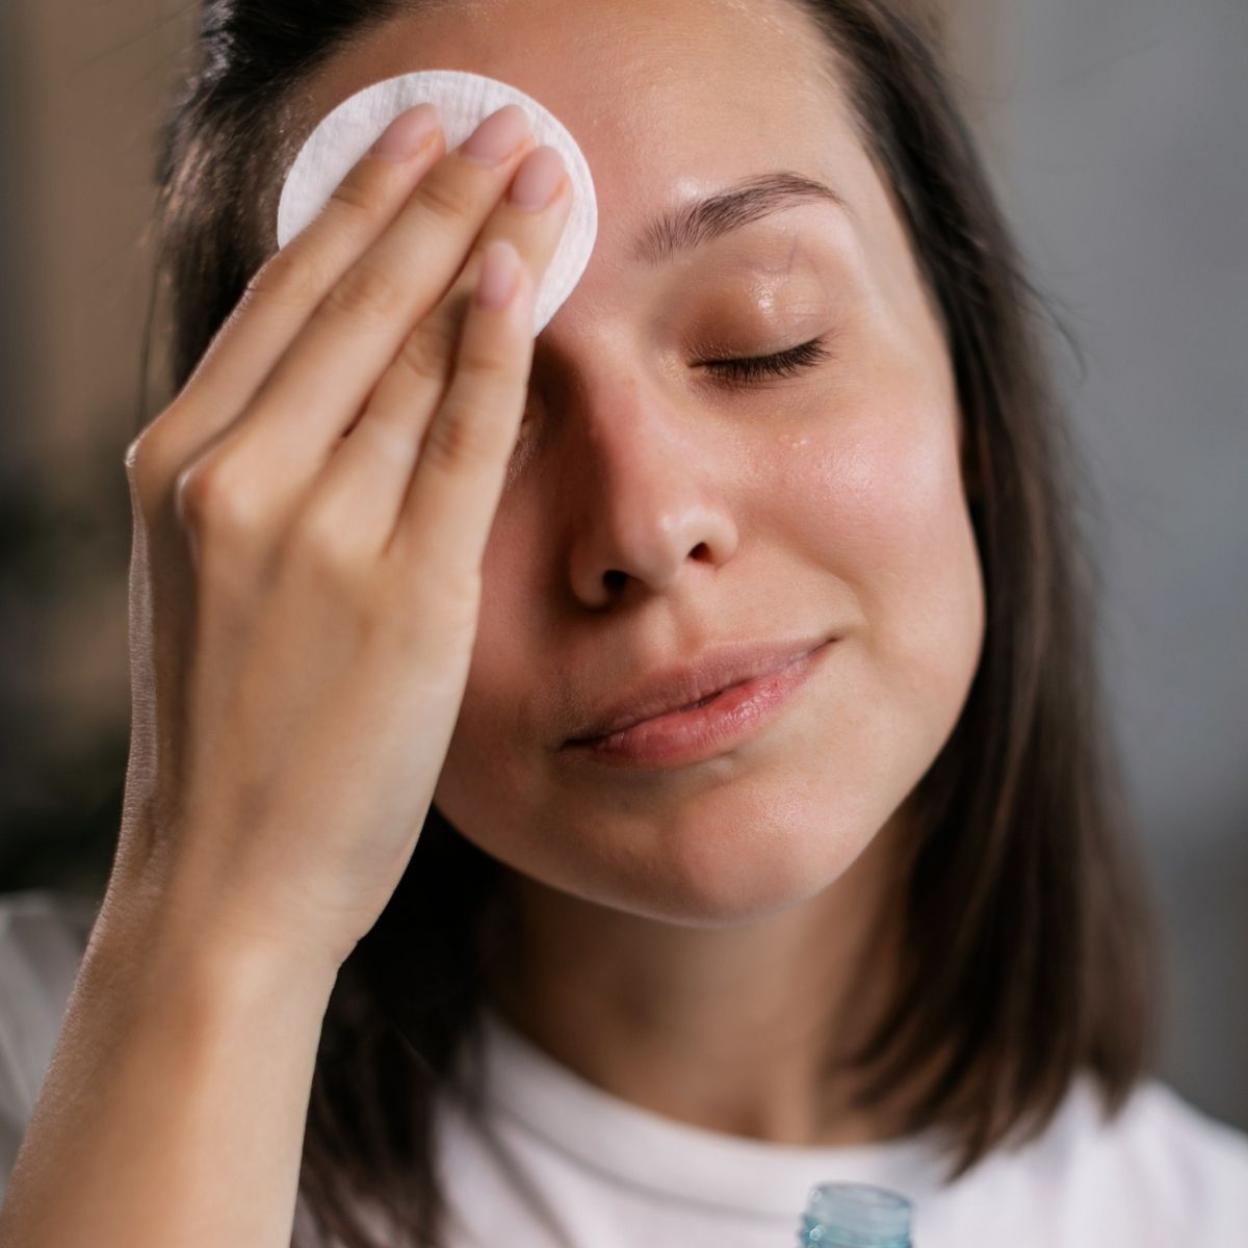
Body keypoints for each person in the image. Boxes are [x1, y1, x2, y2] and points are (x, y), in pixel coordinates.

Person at [0, 0, 1245, 1244]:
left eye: (765, 341)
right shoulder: (36, 1071)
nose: (645, 526)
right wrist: (229, 931)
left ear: (967, 375)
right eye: (461, 415)